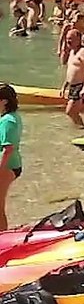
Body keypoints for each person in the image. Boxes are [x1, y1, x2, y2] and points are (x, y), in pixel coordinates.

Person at [0, 84, 22, 230]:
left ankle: (2, 236)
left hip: (7, 166)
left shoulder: (8, 120)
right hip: (10, 164)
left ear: (4, 101)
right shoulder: (12, 116)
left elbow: (8, 149)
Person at [63, 37, 84, 129]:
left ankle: (82, 129)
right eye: (67, 38)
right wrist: (64, 85)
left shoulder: (83, 51)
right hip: (72, 86)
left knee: (70, 111)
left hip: (80, 85)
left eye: (71, 38)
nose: (68, 41)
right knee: (73, 112)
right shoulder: (72, 52)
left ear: (78, 39)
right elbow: (71, 70)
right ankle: (79, 128)